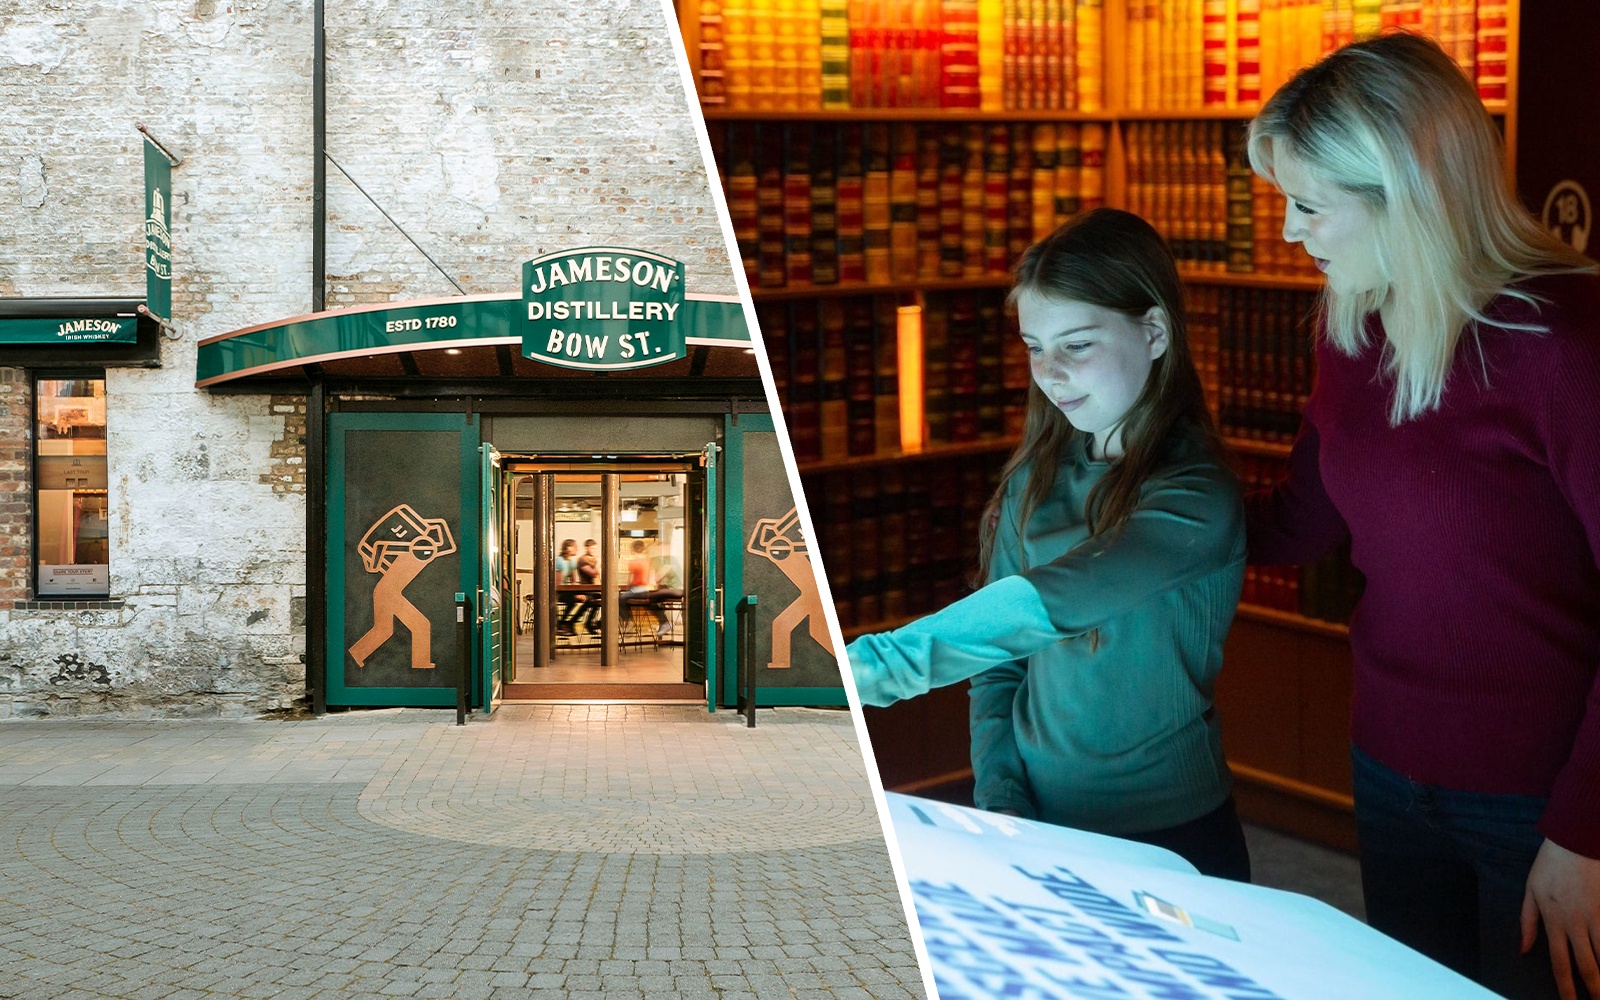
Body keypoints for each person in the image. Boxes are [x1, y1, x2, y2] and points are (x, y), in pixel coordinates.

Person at [1244, 32, 1600, 1000]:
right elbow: (1299, 525)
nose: (1288, 231)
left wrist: (1584, 832)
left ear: (1406, 192)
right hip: (1390, 767)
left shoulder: (1561, 341)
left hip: (1543, 798)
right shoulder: (1349, 322)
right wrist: (1138, 496)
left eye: (1308, 205)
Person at [846, 208, 1249, 880]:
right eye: (1035, 345)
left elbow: (1040, 606)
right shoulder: (1032, 479)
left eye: (1077, 344)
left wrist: (858, 672)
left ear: (1154, 331)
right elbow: (1000, 667)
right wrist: (1003, 801)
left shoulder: (1197, 497)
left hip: (1172, 834)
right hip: (1033, 820)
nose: (1050, 372)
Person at [554, 538, 581, 635]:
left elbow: (573, 580)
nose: (576, 549)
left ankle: (569, 623)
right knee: (572, 600)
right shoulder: (559, 561)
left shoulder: (572, 562)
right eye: (575, 547)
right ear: (568, 548)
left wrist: (577, 590)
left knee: (589, 598)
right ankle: (562, 623)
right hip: (559, 592)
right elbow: (558, 583)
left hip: (568, 590)